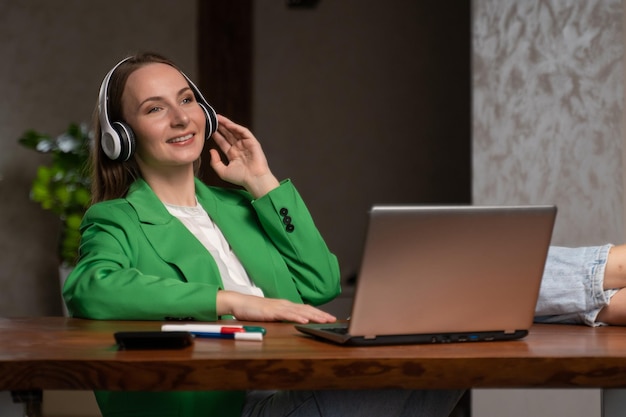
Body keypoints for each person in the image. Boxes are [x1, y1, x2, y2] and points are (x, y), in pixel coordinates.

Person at [62, 52, 464, 417]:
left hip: (295, 383)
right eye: (155, 109)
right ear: (122, 137)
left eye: (186, 100)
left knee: (457, 360)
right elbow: (91, 287)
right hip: (228, 406)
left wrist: (261, 182)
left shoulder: (241, 208)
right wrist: (232, 302)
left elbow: (321, 283)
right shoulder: (117, 219)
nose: (181, 118)